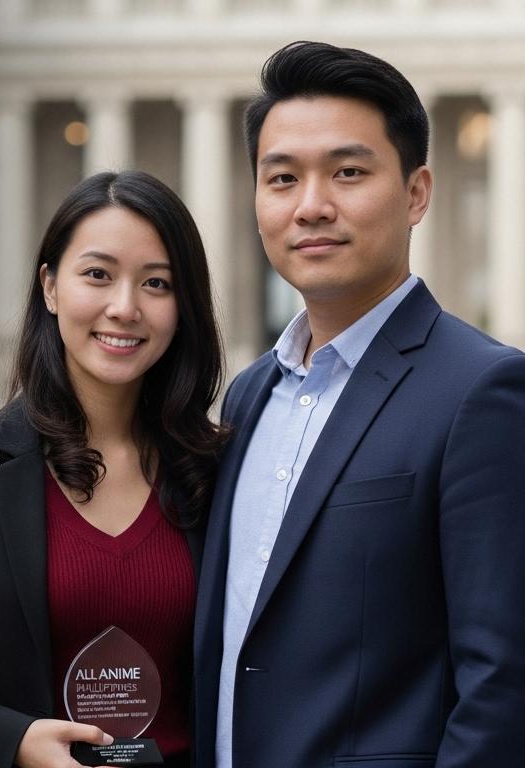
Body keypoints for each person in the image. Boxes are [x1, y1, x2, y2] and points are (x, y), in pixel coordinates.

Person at [193, 41, 525, 768]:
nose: (311, 206)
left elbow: (504, 682)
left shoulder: (484, 391)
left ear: (416, 193)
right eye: (282, 178)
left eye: (348, 172)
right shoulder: (250, 394)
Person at [0, 170, 227, 768]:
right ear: (50, 287)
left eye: (156, 283)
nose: (124, 307)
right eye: (97, 274)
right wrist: (15, 742)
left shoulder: (214, 469)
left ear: (183, 307)